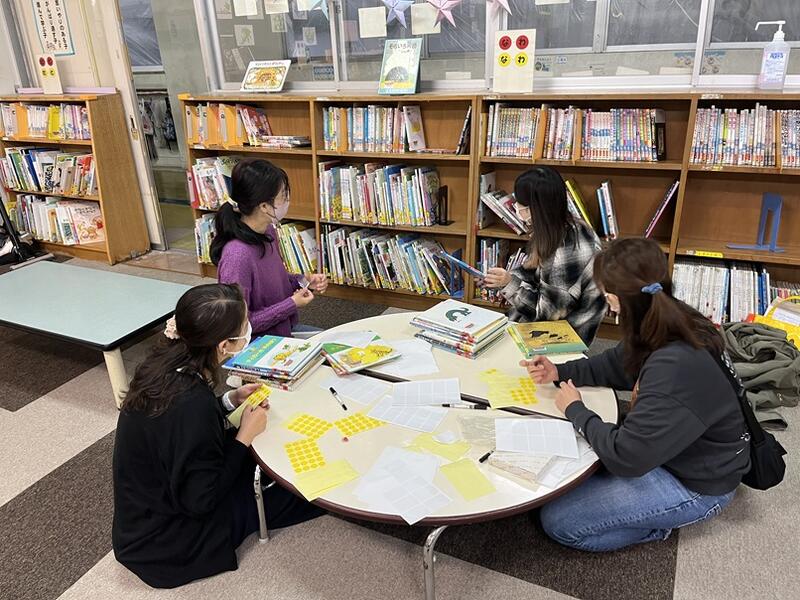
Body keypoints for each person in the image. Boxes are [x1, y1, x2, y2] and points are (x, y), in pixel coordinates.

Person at [523, 238, 749, 552]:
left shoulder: (674, 367)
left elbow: (627, 458)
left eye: (605, 295)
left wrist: (576, 411)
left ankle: (658, 526)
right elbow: (616, 364)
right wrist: (559, 372)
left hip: (697, 483)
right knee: (571, 474)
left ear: (616, 300)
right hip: (672, 450)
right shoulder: (664, 315)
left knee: (560, 521)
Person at [112, 284, 323, 588]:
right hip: (166, 543)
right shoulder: (191, 403)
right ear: (224, 345)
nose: (247, 332)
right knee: (297, 491)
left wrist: (229, 400)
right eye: (244, 328)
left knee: (260, 457)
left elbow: (178, 428)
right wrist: (243, 438)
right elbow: (202, 500)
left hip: (143, 517)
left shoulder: (163, 365)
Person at [481, 166, 605, 345]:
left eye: (522, 205)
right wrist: (500, 279)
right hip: (547, 318)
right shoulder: (557, 226)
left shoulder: (567, 249)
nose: (516, 208)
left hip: (564, 335)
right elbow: (532, 270)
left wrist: (509, 284)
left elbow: (547, 315)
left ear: (536, 209)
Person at [210, 158, 327, 338]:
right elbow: (239, 326)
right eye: (283, 196)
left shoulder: (268, 232)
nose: (287, 200)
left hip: (284, 330)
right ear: (264, 206)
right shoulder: (237, 256)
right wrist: (291, 304)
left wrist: (304, 281)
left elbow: (274, 283)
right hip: (259, 345)